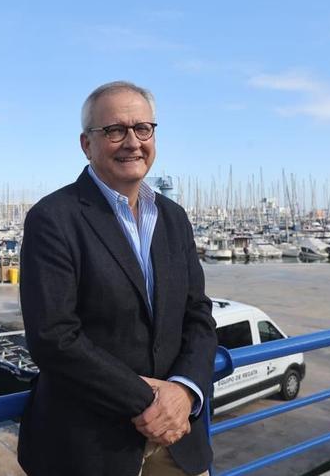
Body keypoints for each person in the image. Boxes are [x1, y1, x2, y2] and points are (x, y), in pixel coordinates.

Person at [17, 81, 217, 476]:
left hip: (178, 443)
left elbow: (198, 316)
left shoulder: (174, 219)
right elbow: (53, 337)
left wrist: (185, 391)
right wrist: (153, 401)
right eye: (114, 130)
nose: (132, 142)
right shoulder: (53, 218)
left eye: (143, 128)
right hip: (90, 449)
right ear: (86, 144)